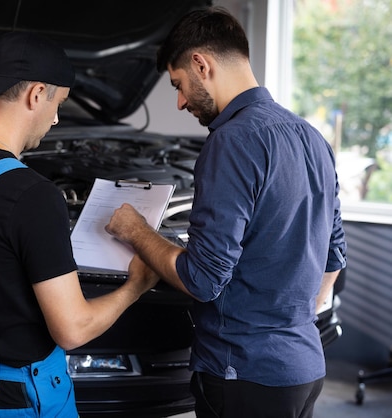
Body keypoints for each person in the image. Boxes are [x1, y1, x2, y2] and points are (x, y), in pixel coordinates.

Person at [104, 7, 347, 418]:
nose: (180, 102)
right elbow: (334, 255)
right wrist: (291, 321)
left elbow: (203, 280)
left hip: (244, 376)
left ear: (202, 64)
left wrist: (136, 230)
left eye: (178, 85)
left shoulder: (232, 142)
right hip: (304, 368)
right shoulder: (311, 137)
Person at [0, 31, 159, 418]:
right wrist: (137, 286)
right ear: (36, 93)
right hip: (22, 398)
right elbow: (72, 329)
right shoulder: (32, 195)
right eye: (58, 103)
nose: (57, 118)